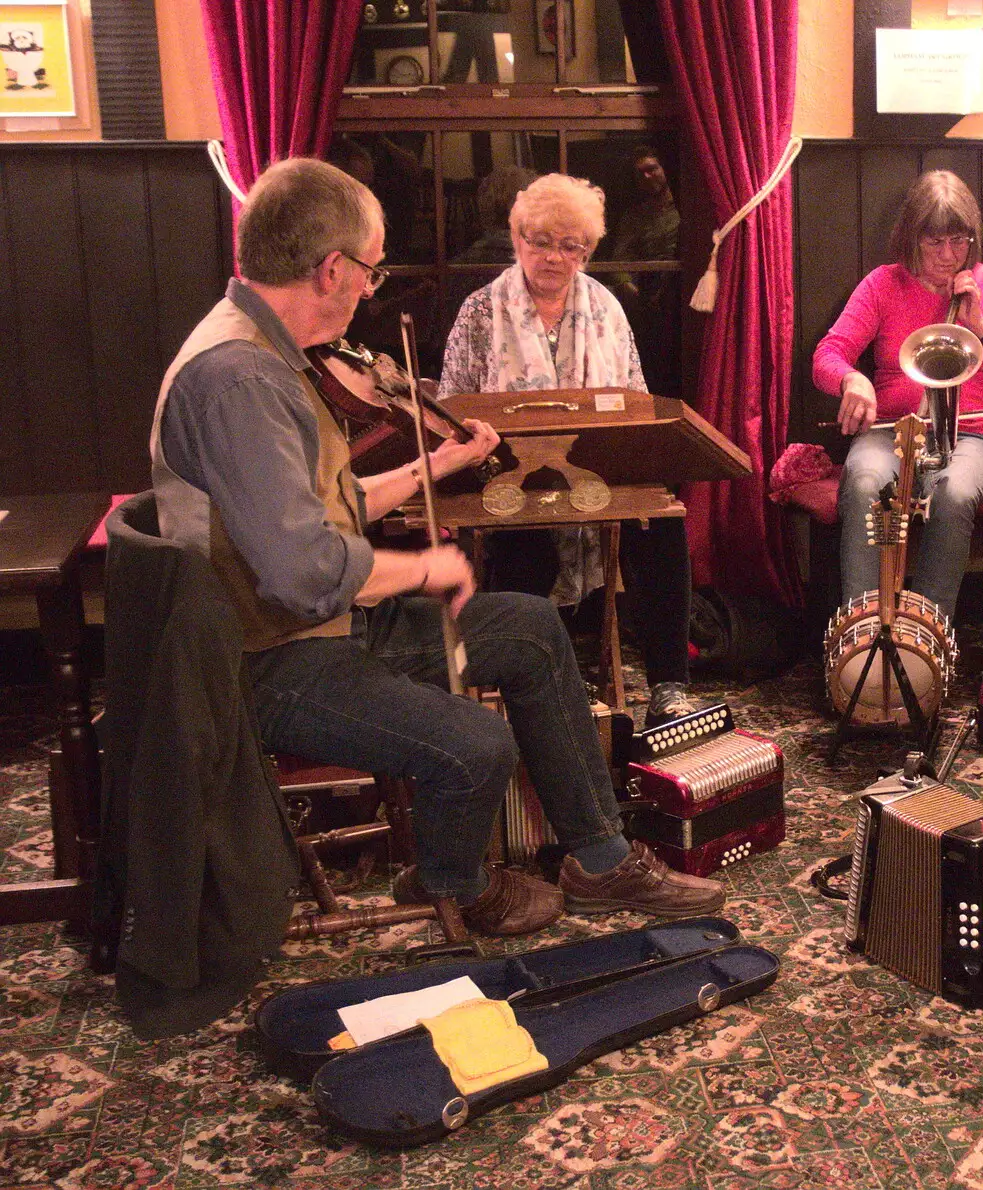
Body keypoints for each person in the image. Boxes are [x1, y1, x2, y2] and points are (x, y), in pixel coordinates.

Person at [149, 158, 724, 937]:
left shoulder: (271, 356)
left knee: (529, 626)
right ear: (331, 269)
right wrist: (421, 566)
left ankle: (599, 856)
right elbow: (302, 574)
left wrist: (437, 464)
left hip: (319, 629)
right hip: (267, 658)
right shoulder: (240, 381)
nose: (369, 290)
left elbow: (336, 505)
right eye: (372, 273)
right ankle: (453, 883)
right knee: (476, 743)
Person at [438, 172, 698, 727]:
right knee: (526, 535)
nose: (552, 257)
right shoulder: (480, 312)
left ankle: (669, 686)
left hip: (592, 469)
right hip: (509, 477)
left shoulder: (608, 307)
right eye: (539, 241)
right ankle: (539, 676)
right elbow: (449, 410)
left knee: (662, 522)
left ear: (587, 250)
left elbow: (633, 399)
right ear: (516, 239)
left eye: (569, 246)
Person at [812, 170, 983, 626]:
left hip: (974, 436)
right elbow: (829, 353)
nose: (947, 256)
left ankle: (925, 641)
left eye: (959, 241)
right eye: (934, 242)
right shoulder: (884, 284)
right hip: (891, 431)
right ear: (911, 238)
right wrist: (850, 380)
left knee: (955, 493)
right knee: (864, 482)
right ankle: (861, 642)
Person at [606, 146, 680, 398]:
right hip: (650, 301)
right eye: (641, 174)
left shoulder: (687, 208)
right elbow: (619, 264)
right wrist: (635, 295)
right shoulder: (634, 217)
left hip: (683, 295)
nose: (648, 177)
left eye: (652, 169)